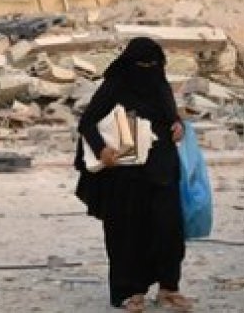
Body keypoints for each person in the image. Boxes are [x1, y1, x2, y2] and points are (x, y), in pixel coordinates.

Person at [75, 37, 191, 312]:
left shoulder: (160, 84)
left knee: (168, 230)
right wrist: (102, 149)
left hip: (162, 170)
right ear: (129, 65)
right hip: (126, 176)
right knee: (127, 234)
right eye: (142, 65)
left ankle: (168, 288)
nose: (148, 70)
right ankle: (130, 292)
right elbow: (87, 122)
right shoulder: (116, 84)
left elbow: (170, 117)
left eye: (153, 65)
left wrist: (178, 125)